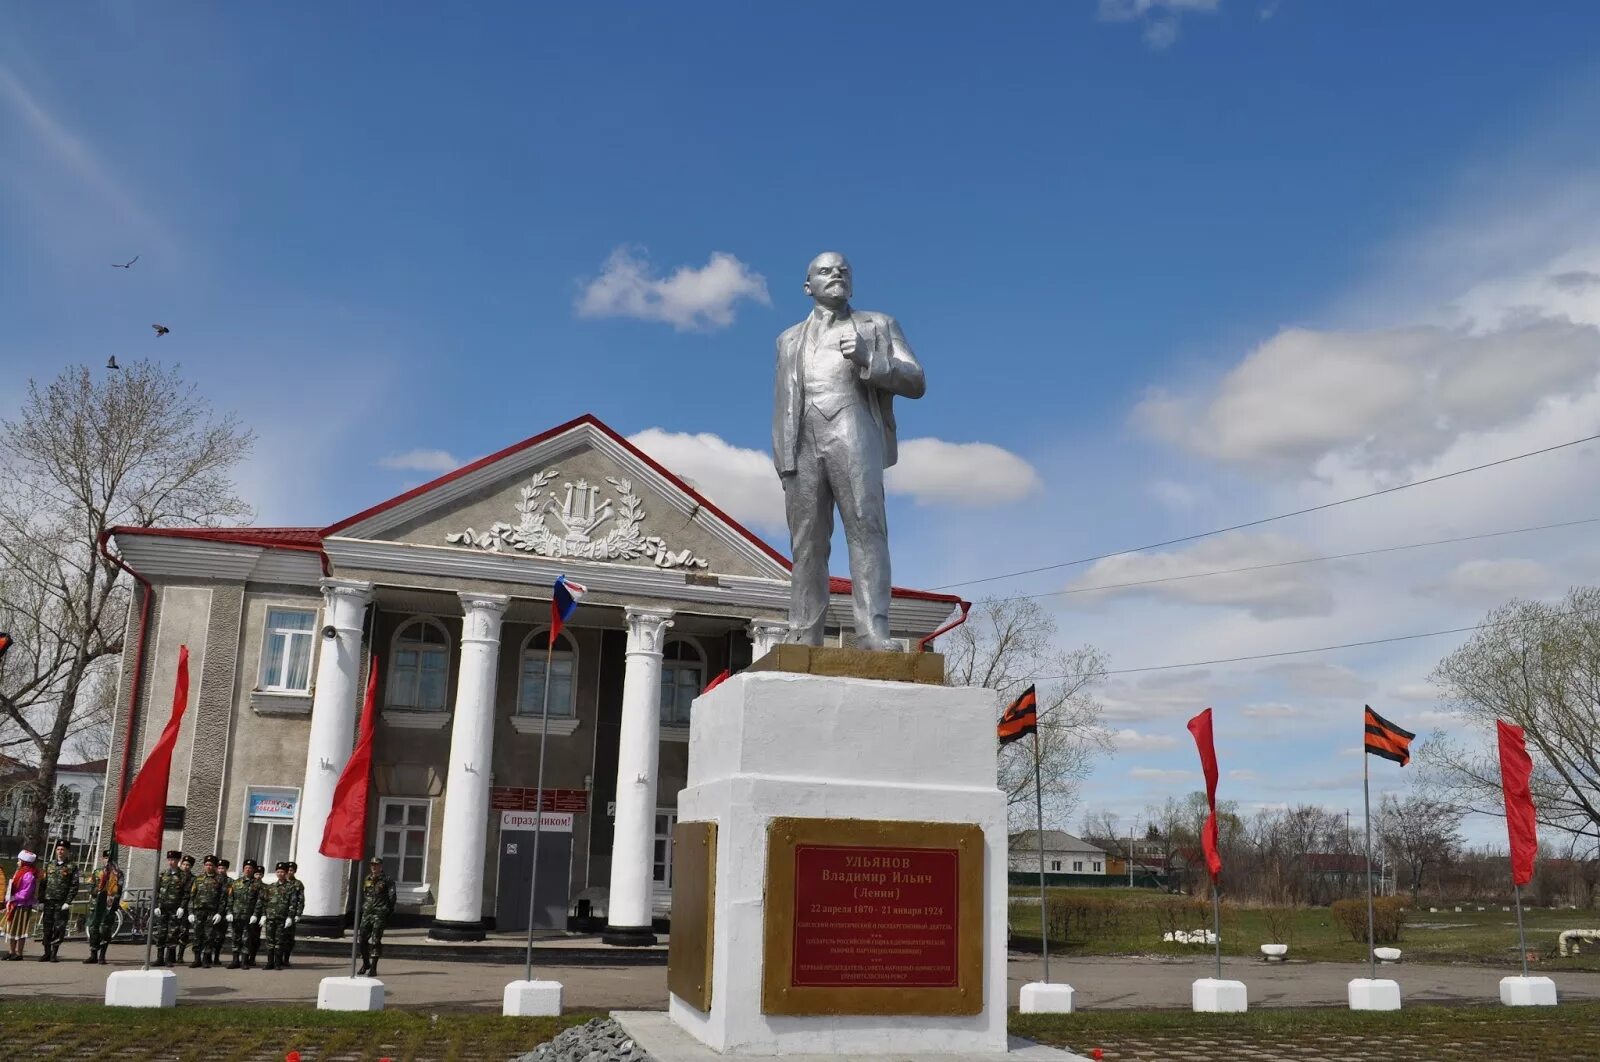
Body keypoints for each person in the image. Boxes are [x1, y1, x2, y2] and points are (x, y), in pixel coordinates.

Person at [771, 252, 926, 649]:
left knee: (866, 529)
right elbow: (782, 402)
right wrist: (783, 457)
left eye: (843, 271)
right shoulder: (788, 339)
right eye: (825, 271)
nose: (835, 274)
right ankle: (805, 632)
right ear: (809, 286)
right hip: (803, 442)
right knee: (807, 542)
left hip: (853, 430)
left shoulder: (877, 325)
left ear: (851, 283)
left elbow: (915, 380)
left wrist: (869, 358)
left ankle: (872, 630)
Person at [38, 841, 79, 962]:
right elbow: (43, 883)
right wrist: (41, 900)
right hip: (49, 901)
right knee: (47, 927)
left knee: (59, 928)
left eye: (62, 849)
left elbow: (74, 885)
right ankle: (46, 952)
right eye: (58, 849)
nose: (60, 852)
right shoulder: (49, 865)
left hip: (61, 903)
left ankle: (54, 954)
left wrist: (68, 901)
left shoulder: (72, 866)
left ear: (67, 852)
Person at [356, 856, 396, 977]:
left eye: (376, 865)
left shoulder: (387, 880)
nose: (374, 867)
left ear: (381, 866)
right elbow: (366, 894)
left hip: (379, 913)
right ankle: (365, 963)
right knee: (362, 939)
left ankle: (373, 967)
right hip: (367, 913)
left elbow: (392, 897)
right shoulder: (367, 878)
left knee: (375, 940)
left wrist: (387, 912)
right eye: (372, 865)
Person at [83, 849, 121, 965]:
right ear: (102, 859)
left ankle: (102, 956)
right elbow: (89, 884)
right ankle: (93, 954)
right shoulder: (97, 872)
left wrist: (113, 902)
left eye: (110, 859)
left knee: (105, 930)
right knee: (93, 929)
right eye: (105, 859)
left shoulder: (117, 874)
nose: (107, 861)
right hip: (96, 905)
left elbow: (119, 890)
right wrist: (95, 891)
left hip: (108, 907)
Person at [187, 855, 225, 969]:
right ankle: (196, 959)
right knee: (197, 935)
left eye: (211, 865)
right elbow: (192, 897)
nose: (208, 867)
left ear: (215, 867)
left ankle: (205, 959)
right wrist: (190, 912)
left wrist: (220, 913)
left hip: (211, 912)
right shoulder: (198, 879)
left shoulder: (220, 880)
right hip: (198, 911)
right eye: (207, 865)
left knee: (209, 936)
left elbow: (223, 898)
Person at [151, 850, 186, 967]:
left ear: (178, 861)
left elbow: (186, 894)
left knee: (172, 934)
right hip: (162, 908)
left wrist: (182, 907)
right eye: (170, 860)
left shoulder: (182, 876)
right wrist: (155, 905)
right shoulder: (163, 874)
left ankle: (169, 959)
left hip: (175, 909)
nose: (171, 862)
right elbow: (156, 891)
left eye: (174, 860)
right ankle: (159, 958)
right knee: (161, 932)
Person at [3, 849, 38, 960]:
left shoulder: (29, 875)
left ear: (24, 862)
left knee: (20, 929)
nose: (17, 862)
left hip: (22, 906)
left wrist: (14, 896)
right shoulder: (19, 872)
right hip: (14, 904)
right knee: (12, 928)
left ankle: (19, 953)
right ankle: (11, 951)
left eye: (19, 860)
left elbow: (26, 892)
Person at [226, 859, 261, 969]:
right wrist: (229, 912)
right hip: (236, 915)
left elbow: (260, 901)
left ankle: (244, 961)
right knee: (235, 938)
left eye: (250, 868)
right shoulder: (235, 883)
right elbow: (230, 898)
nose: (248, 870)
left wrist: (256, 914)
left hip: (249, 916)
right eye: (246, 868)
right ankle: (235, 960)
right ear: (243, 869)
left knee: (246, 939)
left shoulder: (257, 884)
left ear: (253, 870)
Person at [259, 862, 291, 970]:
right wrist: (263, 915)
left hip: (282, 919)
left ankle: (277, 963)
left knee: (279, 941)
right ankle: (269, 962)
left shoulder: (290, 887)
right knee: (269, 941)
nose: (280, 873)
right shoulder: (270, 887)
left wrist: (290, 917)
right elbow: (264, 902)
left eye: (282, 872)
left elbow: (293, 903)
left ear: (286, 873)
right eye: (278, 872)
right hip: (270, 918)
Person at [173, 853, 196, 964]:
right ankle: (170, 956)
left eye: (188, 865)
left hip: (186, 909)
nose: (186, 866)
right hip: (173, 907)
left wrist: (183, 907)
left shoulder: (193, 879)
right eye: (184, 864)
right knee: (172, 932)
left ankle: (180, 956)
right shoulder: (175, 875)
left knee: (183, 933)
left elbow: (190, 894)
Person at [209, 859, 232, 966]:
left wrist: (228, 912)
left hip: (223, 913)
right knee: (209, 935)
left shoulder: (231, 882)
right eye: (219, 868)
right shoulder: (212, 880)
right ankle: (208, 956)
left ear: (227, 869)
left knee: (220, 936)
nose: (221, 870)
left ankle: (217, 957)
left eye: (223, 868)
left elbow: (231, 897)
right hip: (212, 911)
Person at [281, 860, 305, 967]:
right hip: (280, 913)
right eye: (288, 870)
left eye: (291, 870)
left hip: (291, 914)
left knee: (289, 938)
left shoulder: (298, 884)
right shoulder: (281, 882)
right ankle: (278, 958)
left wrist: (298, 914)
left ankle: (286, 958)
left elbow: (301, 900)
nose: (289, 872)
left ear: (294, 871)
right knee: (279, 937)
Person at [244, 862, 267, 967]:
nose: (258, 876)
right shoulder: (250, 885)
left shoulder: (266, 887)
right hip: (247, 914)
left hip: (257, 916)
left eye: (260, 874)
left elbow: (264, 902)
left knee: (255, 937)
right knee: (246, 937)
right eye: (256, 874)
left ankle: (252, 958)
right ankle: (245, 957)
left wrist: (263, 915)